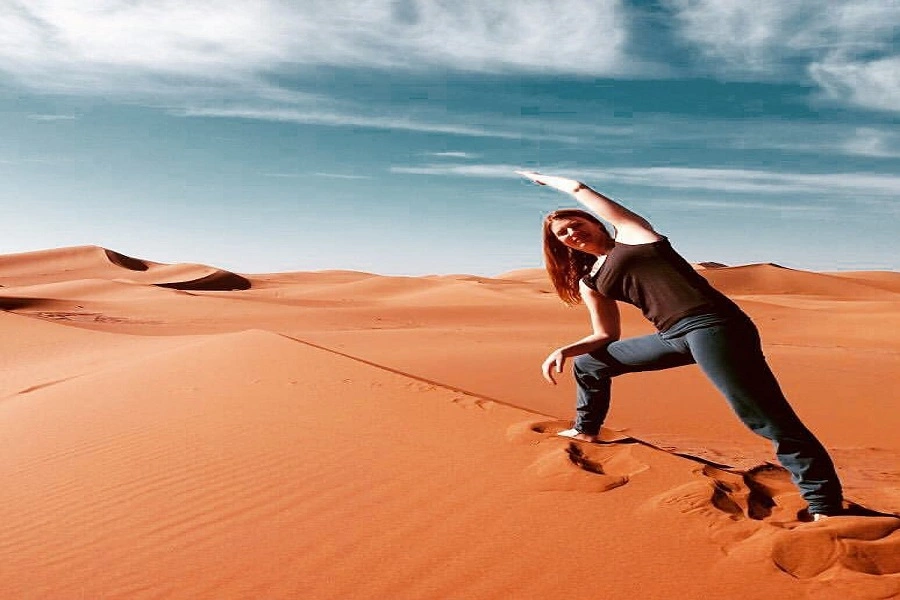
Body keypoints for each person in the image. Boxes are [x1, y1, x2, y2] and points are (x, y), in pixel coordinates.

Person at [518, 170, 844, 521]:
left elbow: (579, 188)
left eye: (576, 224)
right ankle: (586, 430)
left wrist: (546, 180)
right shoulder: (591, 281)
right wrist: (565, 350)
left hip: (715, 327)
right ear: (560, 244)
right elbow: (605, 335)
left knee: (765, 417)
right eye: (563, 233)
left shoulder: (635, 236)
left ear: (595, 222)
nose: (572, 233)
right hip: (672, 336)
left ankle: (824, 505)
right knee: (591, 363)